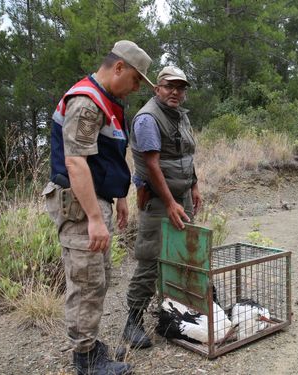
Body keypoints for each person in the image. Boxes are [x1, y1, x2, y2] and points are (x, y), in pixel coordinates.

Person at [42, 40, 153, 375]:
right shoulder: (87, 102)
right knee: (87, 281)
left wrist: (119, 196)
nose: (135, 88)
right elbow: (75, 163)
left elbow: (107, 157)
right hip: (80, 206)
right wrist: (93, 217)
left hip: (96, 201)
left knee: (98, 277)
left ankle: (91, 347)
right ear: (118, 67)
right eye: (135, 79)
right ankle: (86, 359)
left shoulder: (107, 102)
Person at [121, 66, 202, 348]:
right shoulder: (147, 118)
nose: (175, 92)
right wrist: (169, 202)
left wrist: (193, 185)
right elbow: (152, 164)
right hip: (158, 200)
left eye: (180, 88)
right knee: (151, 260)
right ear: (157, 88)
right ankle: (133, 322)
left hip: (182, 197)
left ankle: (174, 314)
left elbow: (187, 154)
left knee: (183, 255)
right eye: (169, 86)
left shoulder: (180, 116)